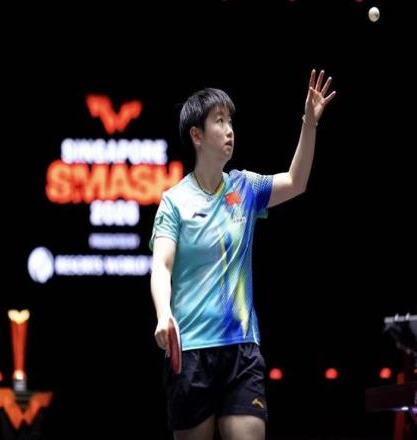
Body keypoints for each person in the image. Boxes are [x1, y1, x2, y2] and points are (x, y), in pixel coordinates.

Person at [149, 70, 335, 440]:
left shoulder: (245, 187)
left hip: (242, 351)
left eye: (230, 121)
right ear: (197, 135)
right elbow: (161, 265)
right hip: (191, 351)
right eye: (219, 121)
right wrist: (163, 313)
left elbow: (296, 181)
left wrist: (309, 124)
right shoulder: (174, 201)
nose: (229, 130)